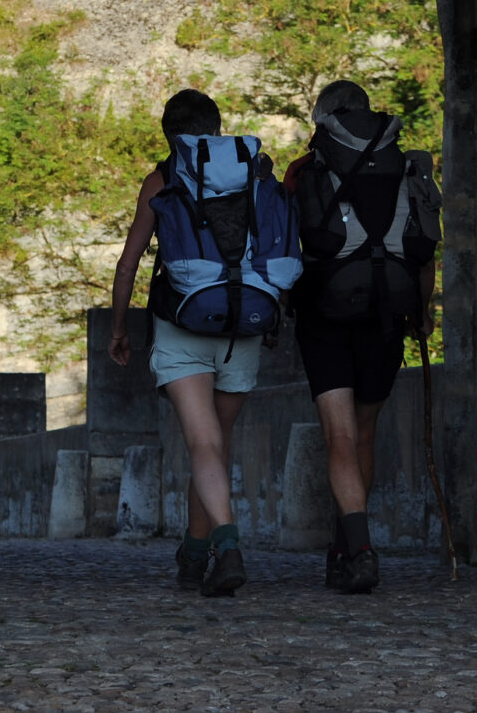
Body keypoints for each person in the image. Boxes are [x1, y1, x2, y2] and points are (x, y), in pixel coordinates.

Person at [106, 88, 289, 597]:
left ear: (170, 135)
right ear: (218, 126)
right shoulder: (254, 169)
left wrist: (120, 329)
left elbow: (129, 265)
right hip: (244, 321)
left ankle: (226, 546)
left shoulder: (162, 177)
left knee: (202, 444)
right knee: (214, 445)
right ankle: (193, 552)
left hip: (184, 324)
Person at [283, 80, 439, 595]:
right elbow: (423, 246)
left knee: (340, 437)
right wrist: (422, 313)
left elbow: (286, 242)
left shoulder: (307, 170)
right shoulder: (405, 165)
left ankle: (362, 549)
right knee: (364, 434)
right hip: (388, 314)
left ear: (324, 120)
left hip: (326, 316)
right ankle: (343, 548)